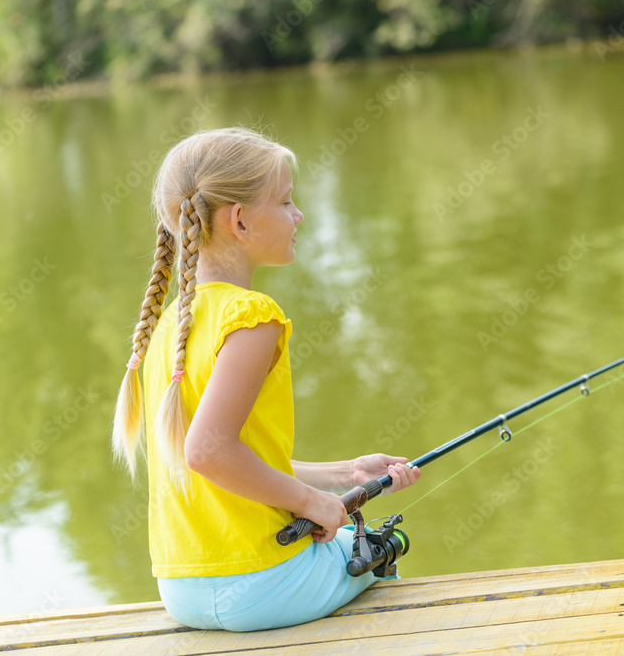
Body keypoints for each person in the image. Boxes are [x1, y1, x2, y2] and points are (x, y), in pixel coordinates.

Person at [110, 126, 421, 631]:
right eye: (286, 201)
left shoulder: (169, 327)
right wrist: (312, 504)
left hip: (182, 590)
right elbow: (207, 451)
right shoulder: (253, 317)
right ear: (240, 220)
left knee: (356, 545)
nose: (298, 215)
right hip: (260, 584)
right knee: (382, 550)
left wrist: (346, 475)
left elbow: (236, 462)